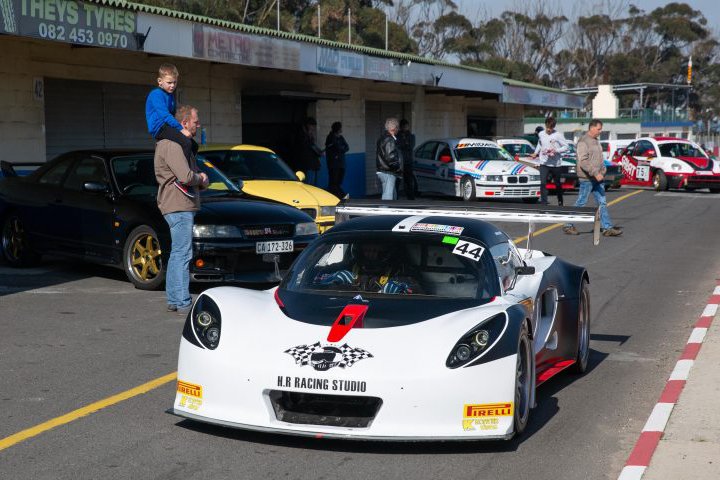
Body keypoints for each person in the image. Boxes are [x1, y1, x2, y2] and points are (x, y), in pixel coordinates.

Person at [154, 105, 209, 313]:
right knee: (182, 253)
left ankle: (175, 299)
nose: (198, 124)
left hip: (179, 204)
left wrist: (200, 178)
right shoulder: (173, 145)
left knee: (177, 253)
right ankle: (183, 301)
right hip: (178, 204)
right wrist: (201, 179)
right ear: (184, 123)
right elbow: (186, 176)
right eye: (196, 121)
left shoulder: (178, 144)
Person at [563, 119, 622, 237]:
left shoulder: (596, 141)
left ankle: (607, 228)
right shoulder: (583, 141)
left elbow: (600, 159)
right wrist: (595, 173)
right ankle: (568, 225)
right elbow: (583, 161)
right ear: (592, 128)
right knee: (581, 202)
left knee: (602, 203)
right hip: (587, 178)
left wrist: (603, 169)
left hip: (598, 178)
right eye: (599, 129)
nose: (600, 131)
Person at [313, 242, 422, 294]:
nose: (370, 254)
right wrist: (333, 280)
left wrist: (402, 287)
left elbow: (420, 291)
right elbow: (314, 279)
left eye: (375, 251)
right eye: (367, 250)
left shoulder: (401, 270)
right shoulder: (349, 266)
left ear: (385, 251)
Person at [145, 63, 193, 163]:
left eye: (175, 82)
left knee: (193, 144)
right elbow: (165, 115)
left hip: (167, 126)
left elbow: (173, 114)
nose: (172, 86)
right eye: (169, 82)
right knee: (186, 143)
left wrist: (182, 126)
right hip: (159, 127)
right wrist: (180, 129)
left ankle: (193, 168)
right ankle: (183, 173)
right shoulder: (156, 94)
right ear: (160, 81)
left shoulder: (170, 96)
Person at [531, 116, 568, 206]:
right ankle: (544, 203)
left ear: (553, 127)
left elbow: (566, 147)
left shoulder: (558, 135)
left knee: (557, 184)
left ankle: (560, 201)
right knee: (543, 183)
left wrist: (556, 150)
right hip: (544, 163)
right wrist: (535, 153)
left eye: (551, 128)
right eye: (547, 127)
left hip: (556, 164)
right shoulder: (541, 134)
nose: (549, 130)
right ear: (545, 125)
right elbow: (540, 144)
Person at [376, 117, 403, 200]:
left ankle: (391, 211)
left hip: (384, 171)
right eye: (397, 127)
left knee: (392, 195)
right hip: (388, 172)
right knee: (388, 196)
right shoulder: (389, 139)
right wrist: (398, 169)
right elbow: (391, 157)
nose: (398, 129)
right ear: (394, 128)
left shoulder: (383, 138)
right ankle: (384, 212)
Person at [324, 121, 349, 198]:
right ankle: (339, 196)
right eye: (340, 128)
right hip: (333, 164)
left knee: (338, 182)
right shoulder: (330, 137)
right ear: (337, 129)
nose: (341, 129)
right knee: (333, 182)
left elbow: (347, 147)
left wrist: (341, 149)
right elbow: (336, 147)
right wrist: (340, 149)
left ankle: (338, 195)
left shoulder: (341, 137)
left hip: (341, 163)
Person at [297, 117, 323, 185]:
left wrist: (319, 151)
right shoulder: (302, 135)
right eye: (312, 126)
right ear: (308, 125)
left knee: (311, 181)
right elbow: (308, 146)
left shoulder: (309, 135)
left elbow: (312, 145)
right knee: (306, 182)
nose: (313, 128)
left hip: (310, 163)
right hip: (305, 163)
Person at [396, 119, 417, 200]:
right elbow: (398, 146)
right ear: (401, 127)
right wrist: (405, 144)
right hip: (400, 162)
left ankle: (411, 198)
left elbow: (410, 146)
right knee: (397, 181)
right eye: (404, 126)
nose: (405, 128)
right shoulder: (398, 136)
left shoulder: (411, 136)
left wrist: (404, 144)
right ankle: (396, 197)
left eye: (407, 126)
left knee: (409, 181)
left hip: (408, 161)